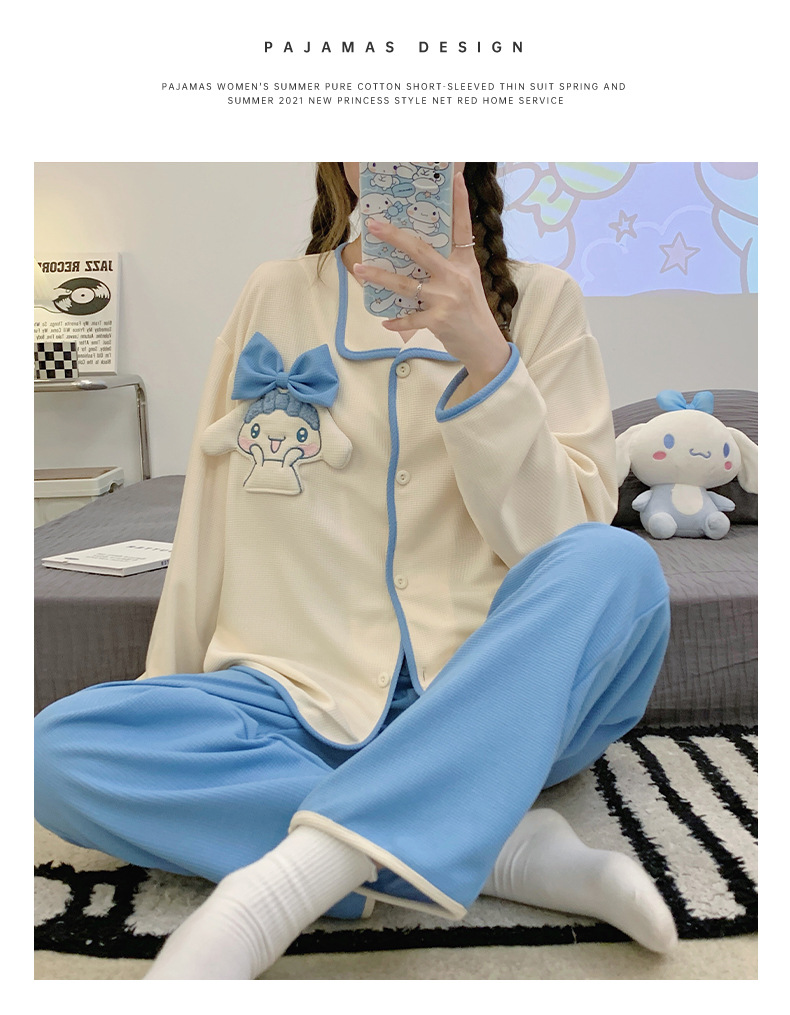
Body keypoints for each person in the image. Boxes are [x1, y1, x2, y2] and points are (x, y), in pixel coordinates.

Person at [34, 163, 677, 980]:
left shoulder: (544, 299)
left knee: (619, 562)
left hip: (493, 701)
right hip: (295, 690)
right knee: (56, 750)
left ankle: (280, 888)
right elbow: (211, 511)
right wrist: (170, 692)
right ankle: (497, 845)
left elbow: (561, 537)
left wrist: (486, 355)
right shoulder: (275, 293)